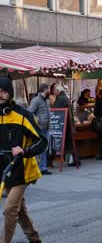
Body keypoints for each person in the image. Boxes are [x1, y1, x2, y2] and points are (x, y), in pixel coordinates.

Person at [0, 77, 47, 243]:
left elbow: (42, 141)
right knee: (18, 209)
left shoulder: (23, 115)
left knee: (10, 209)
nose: (0, 94)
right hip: (4, 172)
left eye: (4, 91)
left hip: (22, 170)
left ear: (11, 94)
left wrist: (24, 151)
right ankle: (34, 239)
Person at [28, 83, 52, 175]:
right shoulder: (36, 100)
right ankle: (35, 168)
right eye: (49, 89)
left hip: (46, 127)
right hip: (39, 128)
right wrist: (37, 119)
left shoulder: (46, 100)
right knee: (38, 148)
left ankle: (43, 168)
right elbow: (30, 112)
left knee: (45, 148)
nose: (49, 91)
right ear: (44, 90)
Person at [53, 84, 79, 166]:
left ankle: (74, 160)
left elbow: (56, 110)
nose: (53, 92)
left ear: (57, 91)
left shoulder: (61, 98)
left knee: (69, 144)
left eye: (54, 90)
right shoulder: (63, 97)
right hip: (67, 124)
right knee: (70, 144)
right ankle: (74, 160)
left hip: (64, 125)